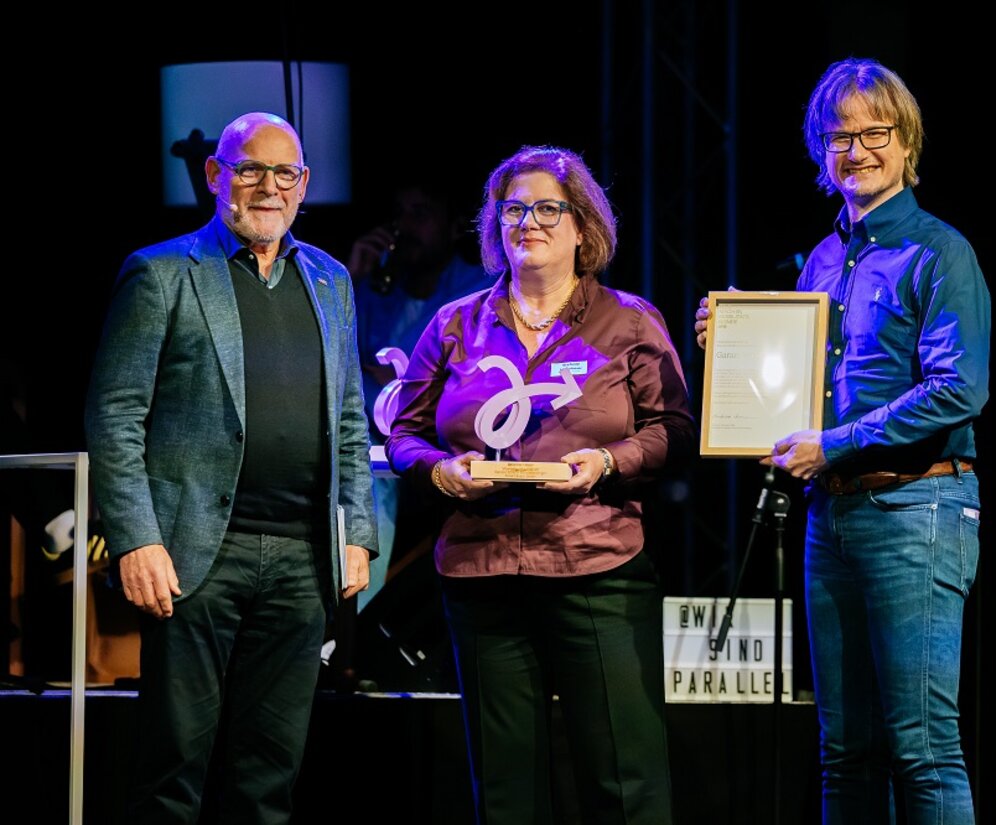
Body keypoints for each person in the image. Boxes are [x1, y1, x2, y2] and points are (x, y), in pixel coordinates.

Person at [696, 59, 990, 823]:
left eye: (874, 133)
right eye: (839, 137)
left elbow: (960, 387)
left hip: (917, 507)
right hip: (833, 514)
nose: (856, 149)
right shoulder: (824, 258)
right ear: (821, 152)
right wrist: (731, 343)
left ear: (906, 141)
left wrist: (832, 442)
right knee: (843, 751)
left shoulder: (939, 252)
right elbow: (803, 384)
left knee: (922, 749)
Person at [386, 145, 697, 824]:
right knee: (504, 794)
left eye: (547, 208)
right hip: (483, 571)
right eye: (514, 209)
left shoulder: (630, 321)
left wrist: (608, 461)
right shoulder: (454, 323)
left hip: (598, 570)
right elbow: (402, 434)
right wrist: (441, 469)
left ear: (583, 226)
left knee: (624, 781)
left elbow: (675, 428)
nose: (528, 221)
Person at [84, 111, 378, 824]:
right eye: (249, 169)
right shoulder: (162, 273)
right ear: (217, 176)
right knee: (172, 773)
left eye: (284, 173)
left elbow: (348, 418)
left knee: (268, 779)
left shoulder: (331, 280)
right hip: (193, 557)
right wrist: (137, 538)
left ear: (304, 185)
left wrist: (358, 531)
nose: (267, 187)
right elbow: (114, 415)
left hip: (301, 562)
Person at [348, 176, 486, 608]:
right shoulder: (374, 288)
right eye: (399, 215)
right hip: (372, 433)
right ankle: (331, 625)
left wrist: (375, 369)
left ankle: (351, 623)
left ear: (451, 225)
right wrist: (346, 279)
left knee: (372, 476)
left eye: (420, 214)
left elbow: (417, 375)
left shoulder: (476, 289)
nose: (404, 227)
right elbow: (335, 363)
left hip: (444, 440)